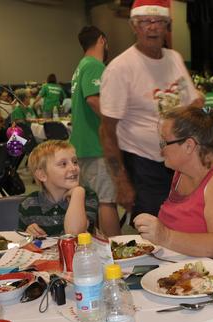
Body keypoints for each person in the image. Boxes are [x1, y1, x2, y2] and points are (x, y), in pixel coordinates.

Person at [100, 0, 203, 221]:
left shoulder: (174, 59)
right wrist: (121, 182)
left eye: (159, 21)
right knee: (152, 229)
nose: (152, 27)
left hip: (183, 162)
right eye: (145, 21)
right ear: (134, 26)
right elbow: (107, 131)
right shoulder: (120, 68)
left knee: (186, 223)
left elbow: (193, 104)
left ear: (167, 26)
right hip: (144, 166)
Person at [133, 106, 213, 281]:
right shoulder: (182, 172)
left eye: (164, 142)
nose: (161, 150)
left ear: (189, 145)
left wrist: (165, 236)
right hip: (184, 275)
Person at [70, 25, 120, 237]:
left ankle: (102, 247)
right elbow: (93, 99)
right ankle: (116, 253)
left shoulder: (81, 66)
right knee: (107, 202)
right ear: (102, 40)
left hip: (83, 145)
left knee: (94, 202)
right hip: (95, 145)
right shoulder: (94, 66)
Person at [18, 140, 98, 237]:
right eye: (63, 164)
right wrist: (28, 233)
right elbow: (20, 243)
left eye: (75, 162)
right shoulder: (28, 205)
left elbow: (75, 233)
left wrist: (78, 192)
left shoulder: (86, 197)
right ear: (42, 175)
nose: (73, 168)